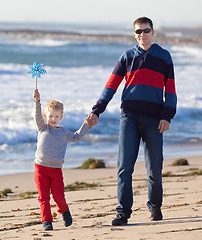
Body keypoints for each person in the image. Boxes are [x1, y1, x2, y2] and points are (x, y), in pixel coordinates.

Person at [86, 16, 177, 226]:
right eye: (138, 32)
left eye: (146, 31)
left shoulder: (164, 57)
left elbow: (170, 89)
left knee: (154, 168)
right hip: (129, 116)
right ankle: (123, 212)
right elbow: (111, 85)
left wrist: (167, 116)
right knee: (124, 166)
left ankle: (155, 206)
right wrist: (97, 110)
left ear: (153, 32)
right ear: (134, 34)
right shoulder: (126, 56)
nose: (142, 35)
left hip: (155, 119)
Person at [33, 88, 91, 230]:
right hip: (40, 168)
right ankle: (47, 221)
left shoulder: (64, 133)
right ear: (46, 116)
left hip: (56, 170)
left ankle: (64, 211)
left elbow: (77, 136)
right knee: (43, 197)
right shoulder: (43, 128)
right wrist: (37, 101)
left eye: (56, 116)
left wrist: (87, 125)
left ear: (61, 117)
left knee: (58, 196)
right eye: (51, 116)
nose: (53, 119)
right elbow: (37, 115)